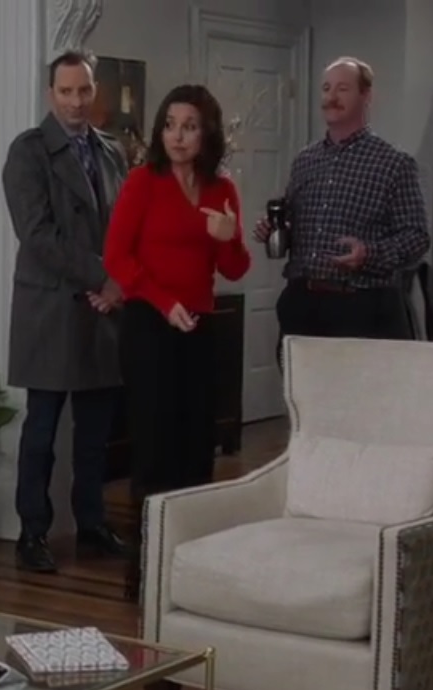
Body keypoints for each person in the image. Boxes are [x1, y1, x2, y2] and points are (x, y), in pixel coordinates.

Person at [2, 49, 128, 573]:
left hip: (104, 309)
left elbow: (125, 227)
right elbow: (38, 235)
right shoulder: (28, 152)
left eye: (84, 91)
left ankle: (92, 523)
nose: (76, 102)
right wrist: (103, 276)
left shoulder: (112, 152)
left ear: (94, 91)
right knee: (42, 431)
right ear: (50, 94)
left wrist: (118, 283)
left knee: (95, 432)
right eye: (66, 91)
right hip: (51, 306)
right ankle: (32, 531)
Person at [103, 84, 250, 506]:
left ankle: (192, 537)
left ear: (207, 134)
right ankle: (149, 541)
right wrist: (165, 304)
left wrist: (227, 238)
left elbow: (235, 268)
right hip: (149, 323)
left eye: (189, 127)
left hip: (200, 326)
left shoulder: (222, 190)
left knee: (198, 440)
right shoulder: (142, 182)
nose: (178, 136)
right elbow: (116, 257)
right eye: (170, 125)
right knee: (155, 441)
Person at [253, 56, 429, 341]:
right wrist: (273, 230)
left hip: (362, 307)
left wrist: (368, 255)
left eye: (342, 89)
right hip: (302, 304)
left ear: (366, 95)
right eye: (326, 88)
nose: (331, 97)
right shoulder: (305, 160)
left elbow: (417, 237)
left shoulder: (394, 163)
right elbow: (293, 224)